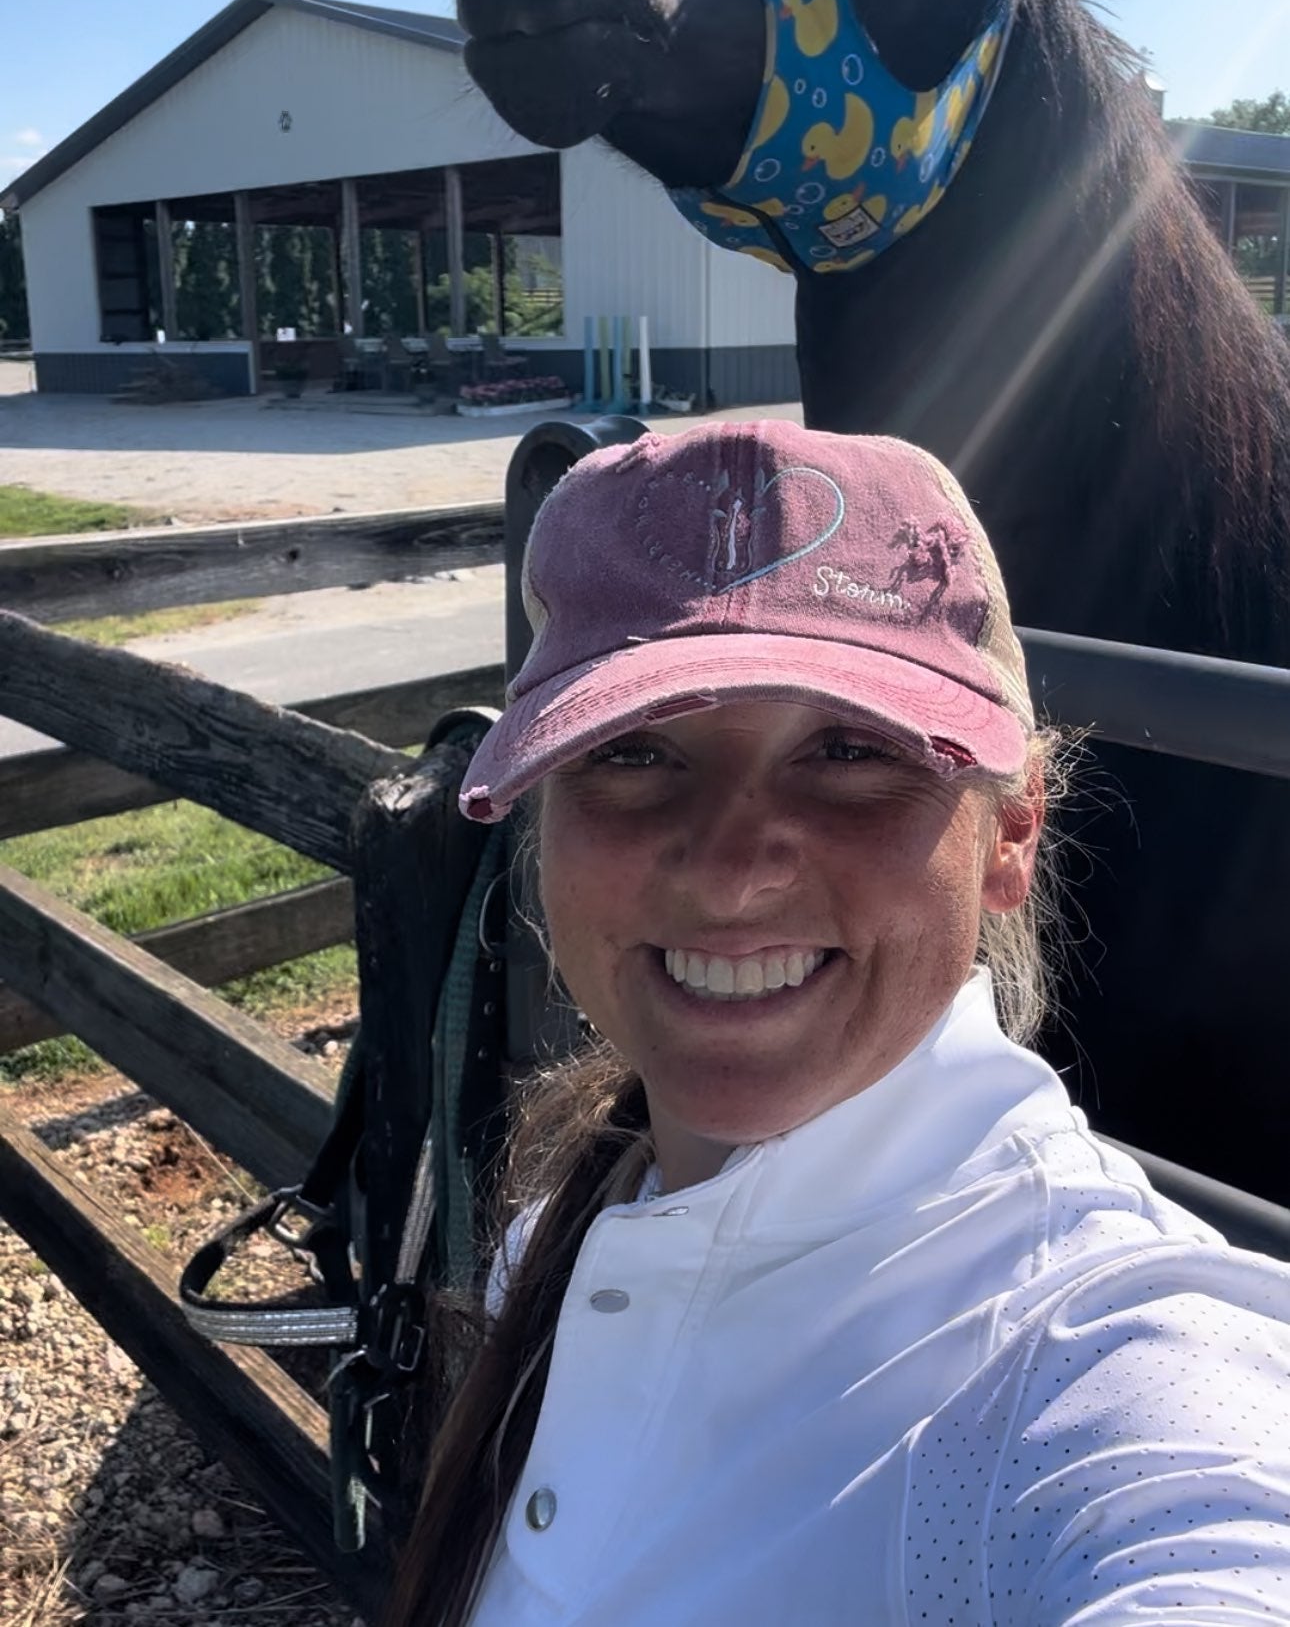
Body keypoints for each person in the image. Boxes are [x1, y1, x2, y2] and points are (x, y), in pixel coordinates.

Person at [384, 420, 1290, 1627]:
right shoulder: (559, 1237)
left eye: (851, 750)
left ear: (1011, 826)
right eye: (638, 749)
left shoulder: (1103, 1355)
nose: (729, 871)